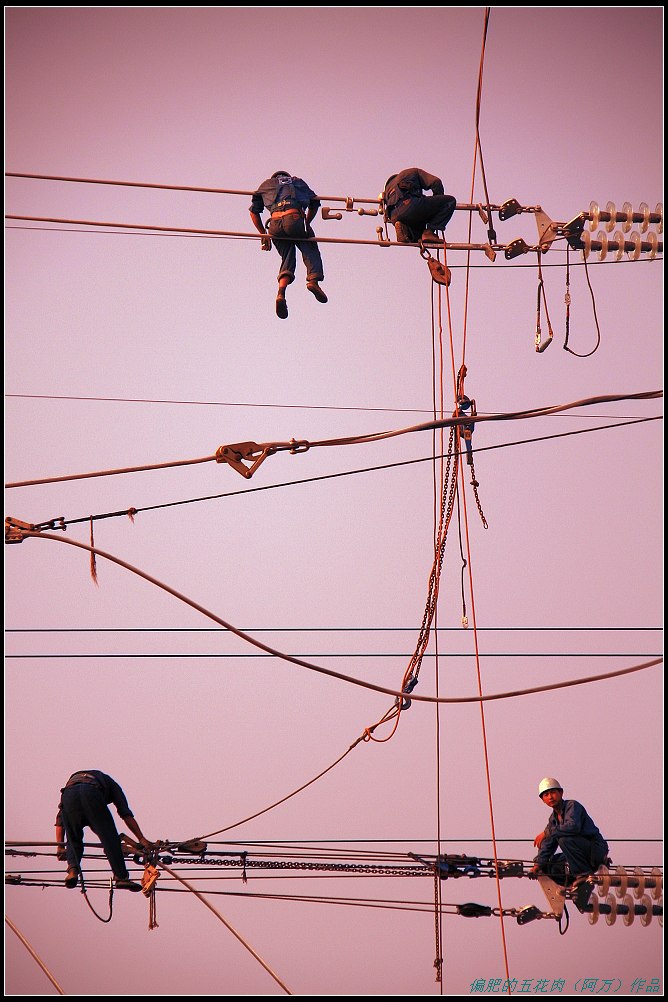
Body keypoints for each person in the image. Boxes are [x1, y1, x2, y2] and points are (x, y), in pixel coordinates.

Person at [55, 770, 153, 892]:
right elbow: (125, 814)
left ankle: (72, 871)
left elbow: (60, 821)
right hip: (91, 793)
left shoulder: (74, 785)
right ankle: (121, 877)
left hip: (68, 795)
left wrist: (60, 847)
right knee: (110, 838)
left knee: (73, 837)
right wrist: (141, 839)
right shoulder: (113, 786)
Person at [250, 170, 328, 319]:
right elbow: (315, 203)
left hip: (274, 225)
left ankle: (281, 293)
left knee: (287, 258)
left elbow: (254, 211)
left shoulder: (266, 184)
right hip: (294, 217)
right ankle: (313, 280)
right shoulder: (297, 181)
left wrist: (263, 234)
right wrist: (306, 223)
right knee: (309, 247)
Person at [529, 777, 609, 887]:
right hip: (580, 856)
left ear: (561, 793)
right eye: (546, 795)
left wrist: (547, 833)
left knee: (564, 839)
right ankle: (570, 885)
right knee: (550, 863)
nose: (550, 797)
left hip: (595, 851)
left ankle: (583, 875)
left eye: (553, 792)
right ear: (542, 800)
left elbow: (573, 827)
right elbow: (548, 845)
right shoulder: (553, 819)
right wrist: (538, 865)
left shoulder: (572, 806)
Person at [383, 168, 457, 245]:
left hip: (394, 216)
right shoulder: (412, 172)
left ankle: (406, 231)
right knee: (449, 201)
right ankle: (429, 232)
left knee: (418, 237)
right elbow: (436, 182)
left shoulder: (388, 188)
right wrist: (437, 207)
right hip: (409, 205)